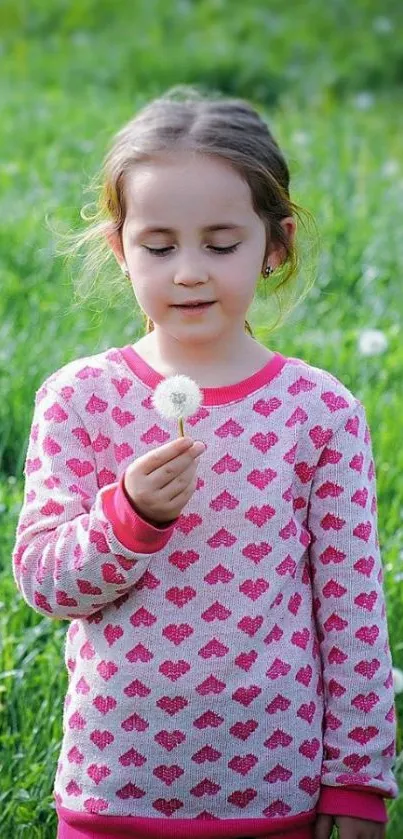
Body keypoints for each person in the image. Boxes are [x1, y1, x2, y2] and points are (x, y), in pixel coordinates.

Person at [12, 85, 397, 839]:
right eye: (159, 245)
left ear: (275, 244)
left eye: (221, 244)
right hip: (113, 783)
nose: (189, 270)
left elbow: (352, 610)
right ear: (121, 248)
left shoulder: (317, 411)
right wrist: (128, 518)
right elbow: (45, 583)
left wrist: (357, 781)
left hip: (271, 787)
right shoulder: (81, 398)